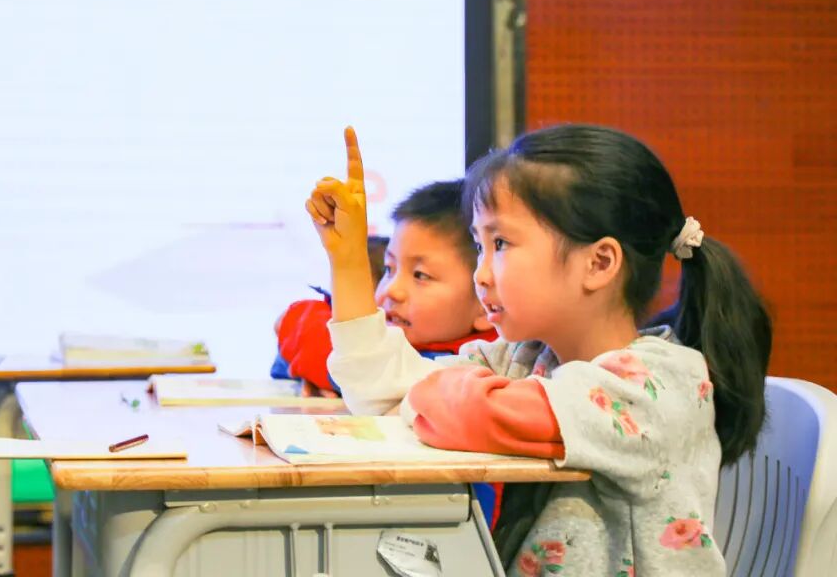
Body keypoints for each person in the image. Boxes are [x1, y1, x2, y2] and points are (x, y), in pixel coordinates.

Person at [307, 125, 771, 575]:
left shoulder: (653, 384)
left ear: (599, 263)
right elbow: (385, 393)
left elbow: (466, 412)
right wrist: (347, 264)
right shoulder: (528, 358)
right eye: (479, 246)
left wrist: (434, 391)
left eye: (500, 243)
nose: (480, 274)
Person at [273, 182, 495, 396]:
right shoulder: (401, 335)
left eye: (421, 275)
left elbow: (370, 372)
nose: (392, 290)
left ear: (484, 304)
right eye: (389, 269)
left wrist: (328, 371)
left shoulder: (484, 363)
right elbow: (292, 335)